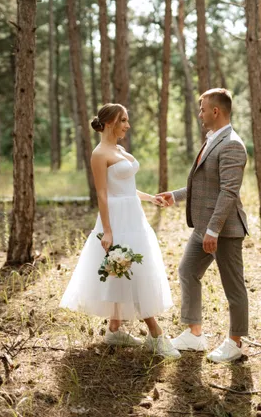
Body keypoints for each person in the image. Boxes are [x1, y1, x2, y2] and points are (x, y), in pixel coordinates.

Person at [60, 103, 180, 359]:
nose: (127, 124)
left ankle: (114, 329)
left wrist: (151, 198)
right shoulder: (99, 153)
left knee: (125, 269)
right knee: (130, 268)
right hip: (115, 218)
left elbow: (126, 187)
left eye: (127, 119)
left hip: (134, 215)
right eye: (123, 120)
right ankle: (156, 335)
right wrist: (108, 230)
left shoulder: (119, 149)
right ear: (111, 122)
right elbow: (103, 193)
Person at [157, 88, 249, 363]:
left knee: (233, 286)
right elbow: (203, 184)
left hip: (224, 230)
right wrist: (174, 195)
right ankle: (194, 334)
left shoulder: (232, 144)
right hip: (204, 228)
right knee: (187, 270)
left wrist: (214, 230)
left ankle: (235, 342)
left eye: (202, 109)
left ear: (216, 111)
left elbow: (228, 192)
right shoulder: (213, 140)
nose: (200, 114)